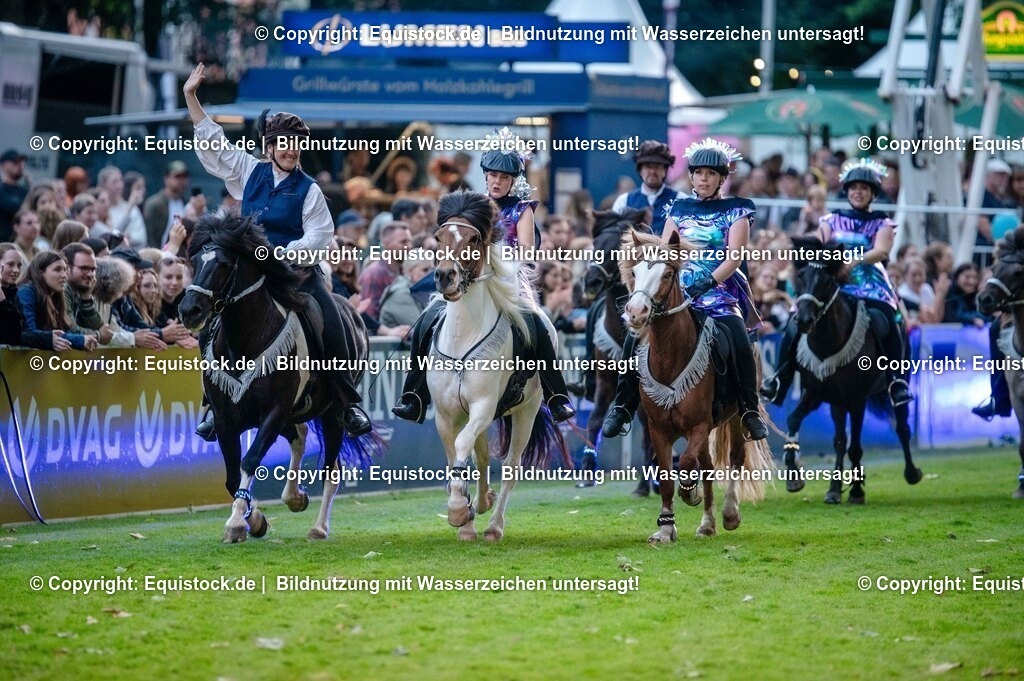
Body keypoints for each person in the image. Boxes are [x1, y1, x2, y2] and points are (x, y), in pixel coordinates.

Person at [184, 62, 372, 439]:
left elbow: (319, 236)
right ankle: (214, 404)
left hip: (296, 274)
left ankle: (347, 402)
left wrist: (279, 254)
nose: (291, 150)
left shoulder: (310, 189)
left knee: (330, 321)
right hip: (252, 275)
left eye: (296, 144)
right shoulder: (248, 170)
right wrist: (191, 96)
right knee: (211, 329)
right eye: (284, 143)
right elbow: (214, 143)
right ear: (270, 147)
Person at [392, 134, 576, 424]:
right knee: (427, 318)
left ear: (513, 180)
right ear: (485, 176)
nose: (496, 181)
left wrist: (497, 260)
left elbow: (527, 252)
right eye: (492, 175)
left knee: (537, 323)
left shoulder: (522, 209)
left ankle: (556, 396)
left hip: (509, 278)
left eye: (504, 177)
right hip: (469, 276)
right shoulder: (473, 206)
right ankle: (413, 394)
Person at [602, 138, 769, 440]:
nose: (704, 179)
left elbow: (734, 258)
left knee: (740, 341)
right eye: (698, 173)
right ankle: (623, 405)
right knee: (633, 337)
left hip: (720, 294)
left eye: (711, 173)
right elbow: (666, 253)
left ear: (722, 178)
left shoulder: (737, 210)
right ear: (691, 176)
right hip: (678, 294)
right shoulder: (677, 209)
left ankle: (749, 409)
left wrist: (709, 281)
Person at [761, 158, 912, 408]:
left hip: (869, 283)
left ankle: (896, 381)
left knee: (888, 319)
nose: (858, 192)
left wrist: (854, 261)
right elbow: (817, 241)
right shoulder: (830, 220)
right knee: (796, 317)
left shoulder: (882, 222)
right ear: (847, 191)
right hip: (834, 283)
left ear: (873, 193)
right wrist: (797, 241)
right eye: (854, 188)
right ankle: (779, 379)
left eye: (864, 188)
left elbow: (882, 251)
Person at [16, 251, 98, 352]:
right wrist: (78, 340)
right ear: (41, 273)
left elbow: (62, 330)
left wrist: (83, 339)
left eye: (65, 270)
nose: (64, 275)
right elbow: (30, 333)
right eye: (57, 270)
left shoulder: (55, 294)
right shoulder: (26, 292)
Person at [611, 141, 678, 235]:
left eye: (657, 166)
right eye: (648, 166)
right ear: (640, 170)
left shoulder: (680, 200)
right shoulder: (623, 201)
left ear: (665, 171)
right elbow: (614, 234)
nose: (652, 171)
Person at [0, 244, 59, 349]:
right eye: (10, 264)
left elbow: (16, 334)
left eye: (19, 265)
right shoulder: (23, 292)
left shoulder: (16, 294)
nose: (16, 270)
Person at [143, 161, 189, 247]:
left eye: (184, 176)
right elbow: (149, 236)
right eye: (177, 177)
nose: (181, 180)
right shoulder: (154, 205)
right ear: (166, 179)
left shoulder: (186, 203)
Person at [0, 149, 29, 242]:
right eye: (15, 162)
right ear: (3, 165)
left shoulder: (25, 191)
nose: (20, 165)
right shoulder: (1, 191)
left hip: (21, 244)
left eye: (21, 162)